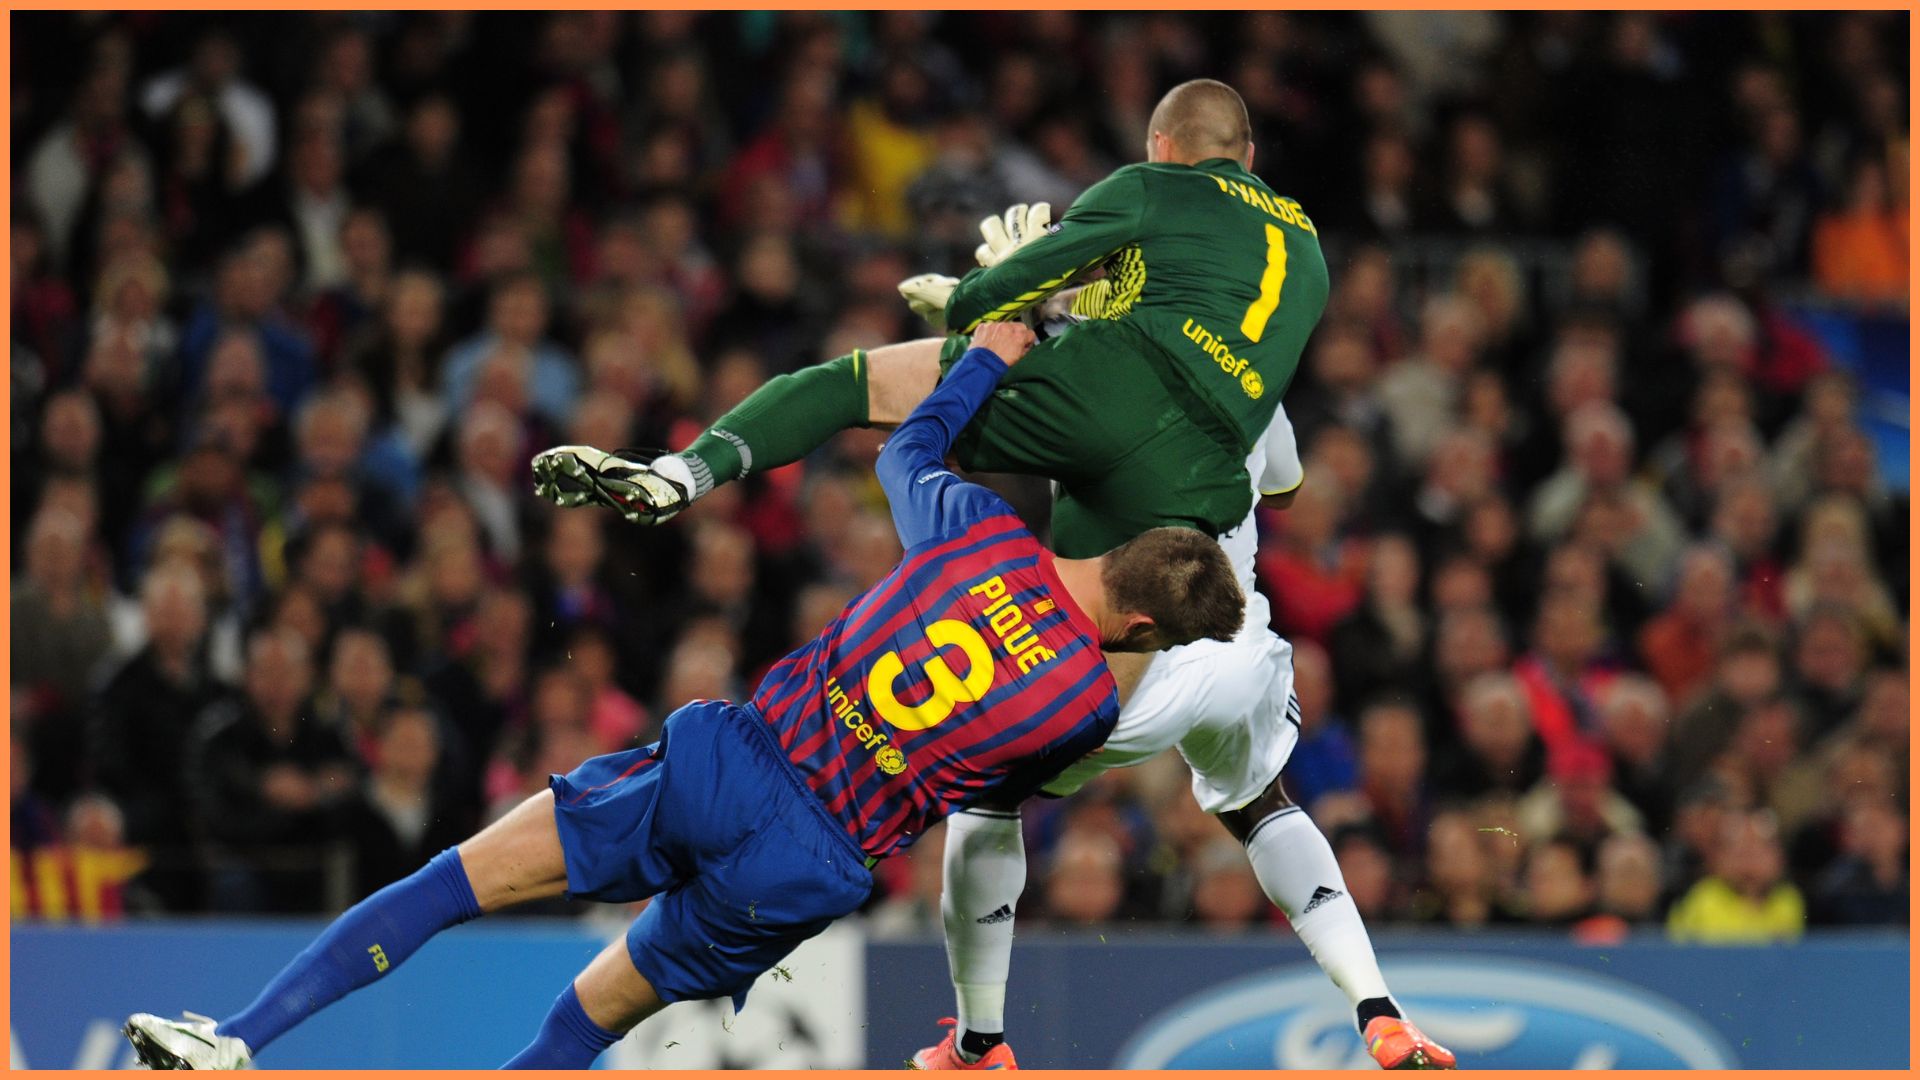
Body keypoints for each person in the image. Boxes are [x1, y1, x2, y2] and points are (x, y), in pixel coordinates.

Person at [124, 322, 1245, 1069]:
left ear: (1125, 551)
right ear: (1146, 631)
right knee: (588, 1021)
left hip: (736, 762)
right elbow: (985, 791)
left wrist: (987, 357)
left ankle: (237, 1039)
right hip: (810, 865)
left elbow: (906, 447)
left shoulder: (980, 532)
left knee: (454, 884)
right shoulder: (1082, 708)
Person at [531, 78, 1329, 562]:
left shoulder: (1156, 185)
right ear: (1249, 157)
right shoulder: (1310, 254)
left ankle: (683, 474)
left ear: (1160, 143)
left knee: (850, 383)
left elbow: (1005, 291)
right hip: (1197, 483)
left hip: (1108, 395)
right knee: (1077, 683)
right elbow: (1188, 344)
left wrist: (973, 295)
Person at [910, 404, 1455, 1072]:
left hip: (1132, 652)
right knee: (1260, 803)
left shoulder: (1084, 373)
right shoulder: (1257, 376)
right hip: (1236, 645)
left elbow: (981, 449)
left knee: (989, 796)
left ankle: (978, 1044)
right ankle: (1379, 1010)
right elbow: (1285, 486)